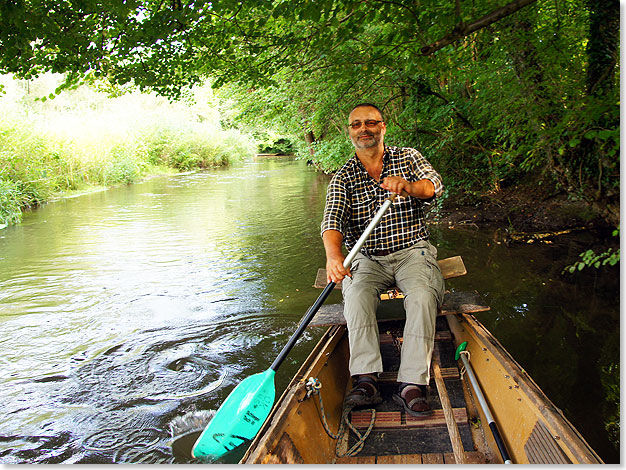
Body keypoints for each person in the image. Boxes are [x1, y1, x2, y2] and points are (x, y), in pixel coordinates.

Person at [320, 103, 445, 416]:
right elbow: (332, 221)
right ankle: (366, 380)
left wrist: (409, 186)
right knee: (357, 294)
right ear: (350, 131)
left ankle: (412, 383)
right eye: (357, 124)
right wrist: (334, 256)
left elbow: (434, 187)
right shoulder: (344, 177)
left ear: (383, 127)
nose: (364, 129)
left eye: (371, 123)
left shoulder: (408, 157)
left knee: (421, 296)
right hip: (368, 257)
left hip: (411, 250)